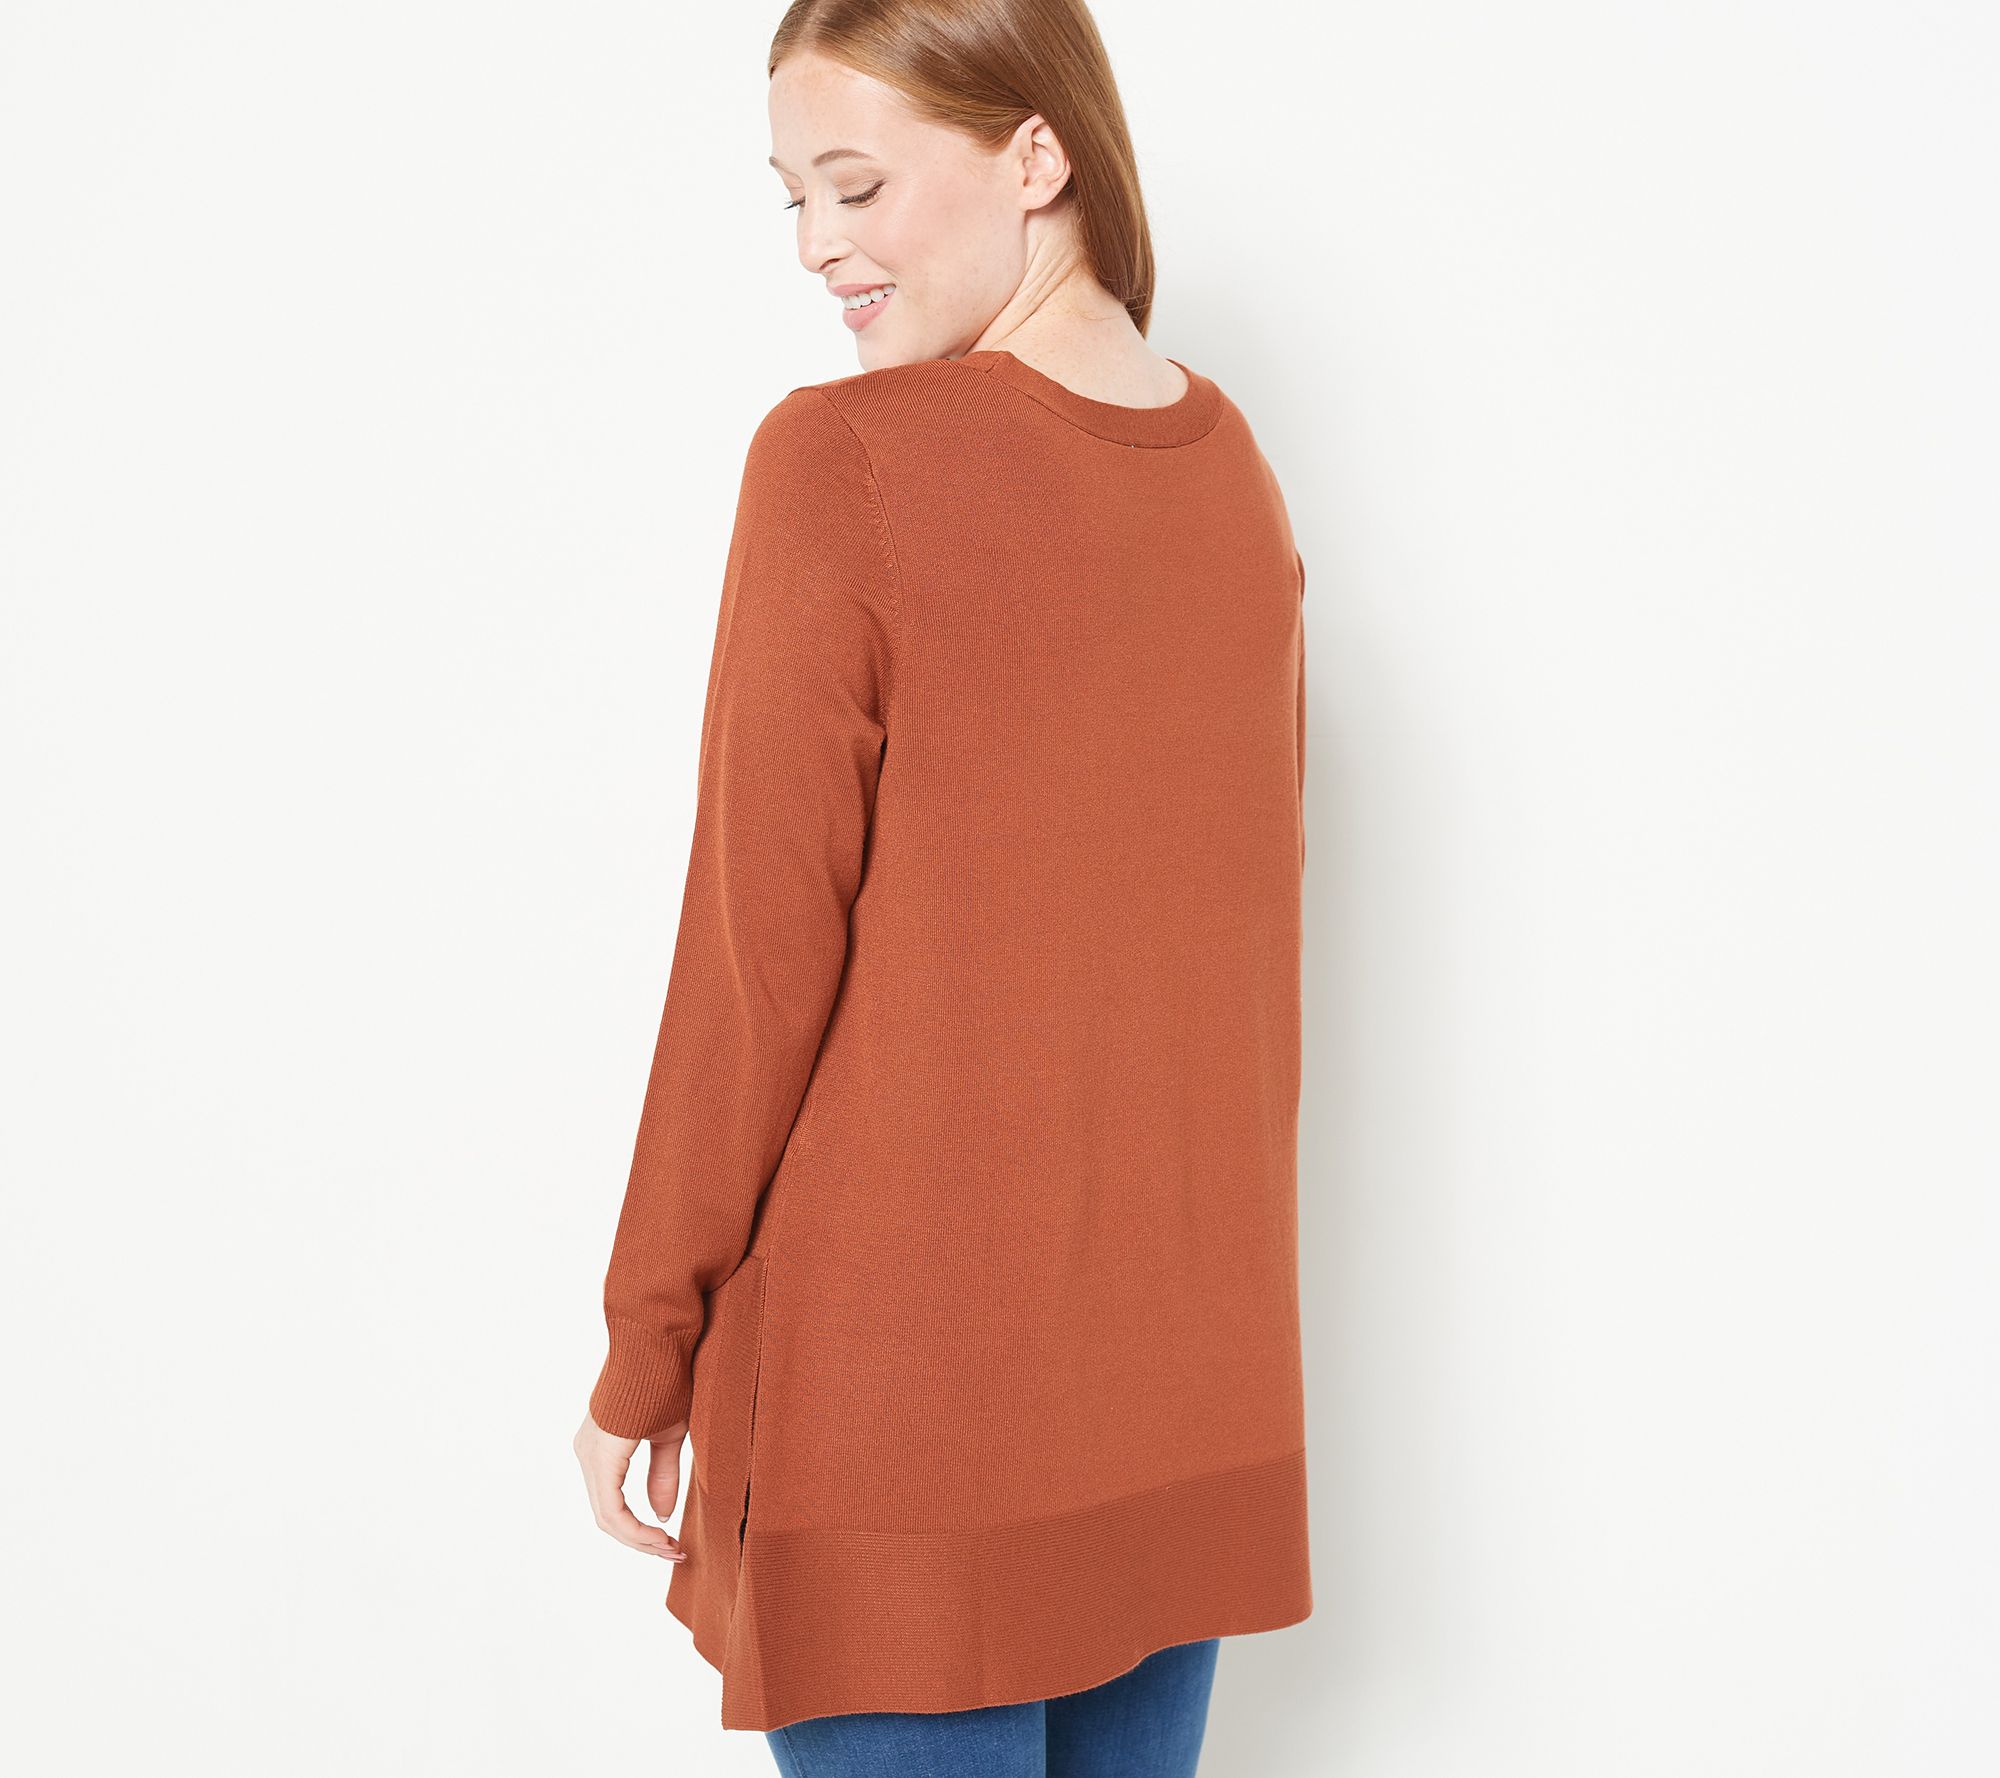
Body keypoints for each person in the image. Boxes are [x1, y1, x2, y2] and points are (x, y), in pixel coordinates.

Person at [573, 2, 1312, 1771]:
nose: (818, 246)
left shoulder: (846, 463)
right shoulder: (1235, 479)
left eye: (859, 185)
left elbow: (753, 969)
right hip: (1178, 1405)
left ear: (1036, 155)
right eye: (793, 199)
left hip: (911, 1417)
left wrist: (644, 1346)